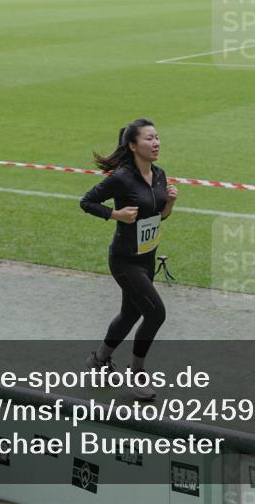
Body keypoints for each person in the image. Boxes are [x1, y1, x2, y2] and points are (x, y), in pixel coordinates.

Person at [80, 118, 177, 400]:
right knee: (156, 313)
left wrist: (170, 202)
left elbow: (159, 216)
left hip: (147, 258)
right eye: (149, 138)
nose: (156, 143)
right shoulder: (122, 177)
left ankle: (98, 360)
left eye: (157, 137)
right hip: (125, 261)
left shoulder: (159, 175)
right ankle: (136, 374)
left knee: (131, 314)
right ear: (133, 146)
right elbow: (87, 202)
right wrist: (116, 214)